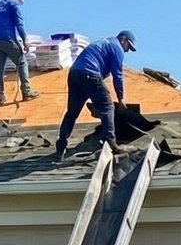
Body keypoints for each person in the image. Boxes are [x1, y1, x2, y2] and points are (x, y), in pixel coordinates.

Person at [55, 30, 137, 162]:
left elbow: (100, 71)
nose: (127, 51)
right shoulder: (117, 47)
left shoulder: (103, 42)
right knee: (108, 107)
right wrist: (121, 99)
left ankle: (60, 148)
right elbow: (118, 76)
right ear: (124, 40)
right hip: (90, 74)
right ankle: (111, 143)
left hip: (74, 74)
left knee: (72, 113)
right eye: (129, 46)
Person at [0, 0, 39, 105]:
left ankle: (0, 97)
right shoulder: (12, 4)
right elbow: (19, 23)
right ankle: (26, 91)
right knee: (22, 62)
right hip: (8, 39)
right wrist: (25, 40)